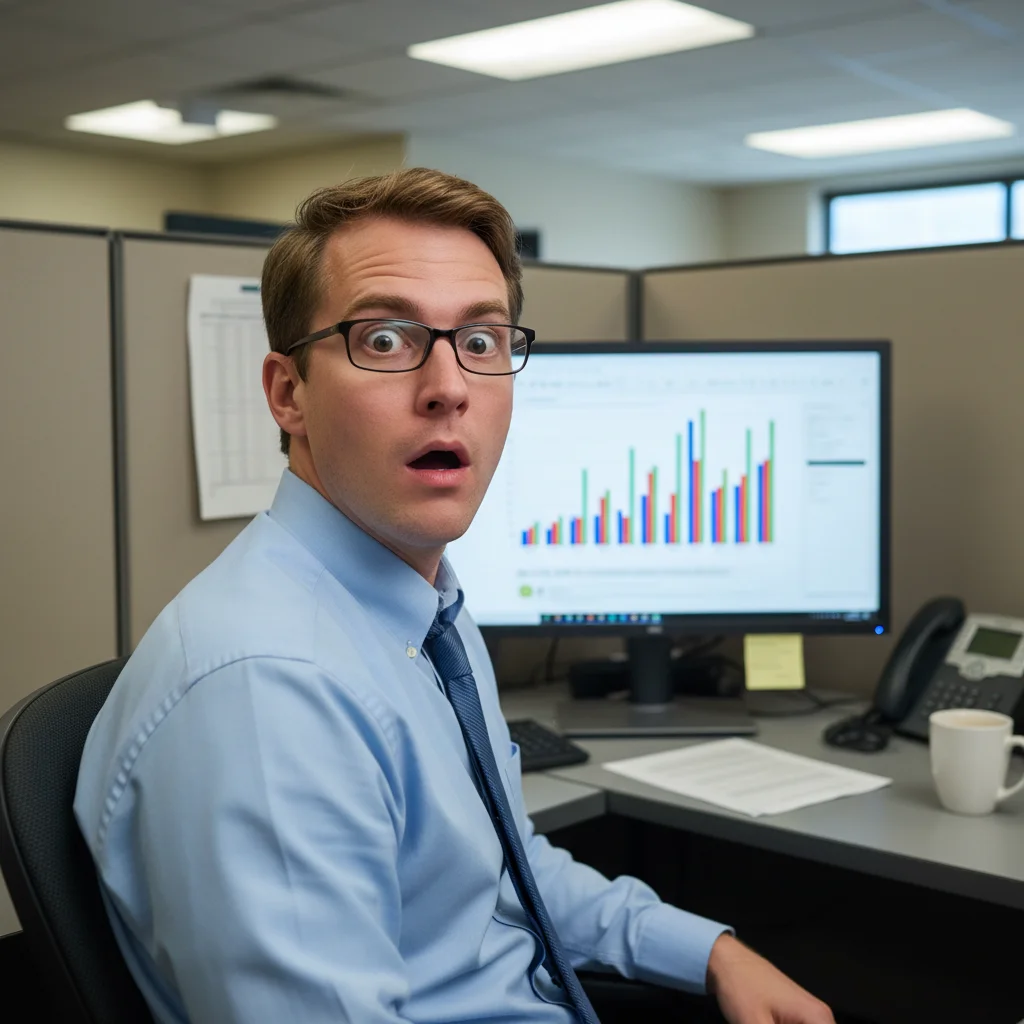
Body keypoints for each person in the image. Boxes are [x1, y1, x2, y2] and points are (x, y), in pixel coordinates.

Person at [75, 167, 834, 1024]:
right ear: (290, 394)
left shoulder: (421, 603)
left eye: (481, 341)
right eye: (388, 339)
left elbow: (504, 864)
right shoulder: (268, 693)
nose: (449, 385)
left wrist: (708, 950)